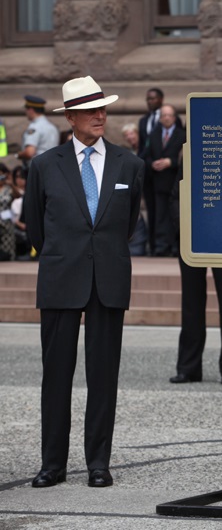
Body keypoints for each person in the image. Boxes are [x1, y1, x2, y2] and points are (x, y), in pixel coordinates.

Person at [24, 76, 144, 488]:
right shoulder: (44, 165)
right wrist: (64, 254)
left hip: (108, 279)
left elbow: (127, 224)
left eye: (102, 108)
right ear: (70, 118)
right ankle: (52, 464)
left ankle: (98, 463)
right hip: (60, 277)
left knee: (103, 376)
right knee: (56, 375)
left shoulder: (130, 164)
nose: (100, 115)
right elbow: (36, 228)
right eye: (90, 110)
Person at [168, 160, 222, 384]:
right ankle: (188, 368)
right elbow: (176, 196)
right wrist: (183, 228)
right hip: (191, 238)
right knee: (191, 304)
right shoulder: (190, 157)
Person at [143, 104, 184, 256]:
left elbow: (186, 158)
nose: (166, 118)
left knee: (176, 215)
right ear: (160, 119)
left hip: (176, 182)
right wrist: (152, 163)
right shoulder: (154, 135)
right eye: (163, 115)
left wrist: (170, 162)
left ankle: (175, 247)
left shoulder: (182, 135)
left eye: (169, 115)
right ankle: (161, 247)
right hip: (158, 182)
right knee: (160, 216)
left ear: (174, 117)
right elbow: (146, 155)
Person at [138, 88, 164, 255]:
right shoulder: (143, 120)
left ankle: (163, 245)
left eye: (153, 98)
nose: (150, 102)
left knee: (162, 210)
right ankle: (152, 245)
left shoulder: (168, 117)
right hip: (147, 170)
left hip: (163, 172)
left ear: (161, 99)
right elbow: (142, 146)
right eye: (148, 99)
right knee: (151, 208)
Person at [121, 123, 148, 256]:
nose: (129, 137)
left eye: (131, 133)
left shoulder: (146, 149)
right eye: (126, 135)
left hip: (146, 190)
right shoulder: (128, 152)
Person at [16, 96, 60, 171]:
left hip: (37, 169)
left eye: (26, 109)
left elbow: (29, 152)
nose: (26, 112)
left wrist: (18, 155)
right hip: (52, 168)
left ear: (31, 110)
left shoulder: (34, 127)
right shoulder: (52, 127)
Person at [0, 163, 16, 261]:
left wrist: (11, 183)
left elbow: (18, 195)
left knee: (7, 251)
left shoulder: (9, 188)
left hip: (6, 223)